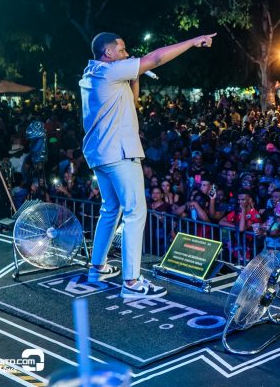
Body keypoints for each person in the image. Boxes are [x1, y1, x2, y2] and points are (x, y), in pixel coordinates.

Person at [81, 30, 216, 299]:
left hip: (100, 154)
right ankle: (131, 282)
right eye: (122, 50)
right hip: (119, 153)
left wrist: (135, 75)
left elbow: (132, 100)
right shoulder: (110, 72)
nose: (127, 54)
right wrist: (191, 41)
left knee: (111, 208)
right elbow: (155, 58)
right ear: (108, 53)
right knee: (134, 213)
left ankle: (97, 267)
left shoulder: (91, 75)